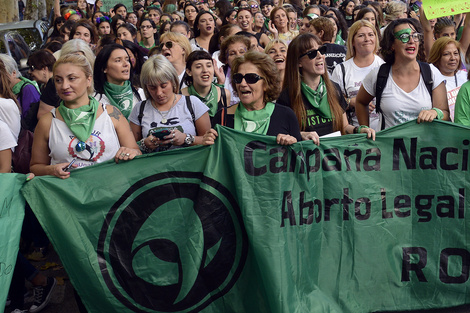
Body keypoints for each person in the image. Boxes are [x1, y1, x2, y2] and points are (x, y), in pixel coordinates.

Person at [31, 53, 141, 178]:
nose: (64, 86)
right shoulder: (47, 122)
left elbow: (136, 152)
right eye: (58, 80)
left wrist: (130, 152)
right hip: (68, 194)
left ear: (89, 80)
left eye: (72, 78)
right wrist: (52, 170)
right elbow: (36, 166)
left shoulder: (112, 114)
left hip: (112, 191)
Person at [277, 33, 375, 145]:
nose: (320, 56)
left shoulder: (334, 89)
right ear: (299, 62)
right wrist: (301, 135)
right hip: (307, 159)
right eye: (312, 53)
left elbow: (344, 127)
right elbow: (282, 135)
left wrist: (360, 130)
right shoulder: (287, 96)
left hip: (334, 158)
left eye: (322, 50)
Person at [356, 18, 449, 130]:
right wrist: (365, 128)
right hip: (388, 147)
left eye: (415, 36)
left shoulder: (431, 73)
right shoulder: (379, 75)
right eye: (404, 37)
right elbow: (360, 102)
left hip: (424, 146)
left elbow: (445, 113)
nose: (411, 41)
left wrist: (435, 112)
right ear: (392, 45)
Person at [202, 50, 301, 146]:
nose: (243, 84)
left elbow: (299, 156)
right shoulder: (222, 117)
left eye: (251, 78)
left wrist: (293, 143)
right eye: (238, 78)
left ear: (266, 84)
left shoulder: (285, 115)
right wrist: (207, 144)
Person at [129, 55, 211, 153]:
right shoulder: (139, 109)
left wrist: (185, 139)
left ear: (173, 82)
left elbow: (208, 140)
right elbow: (131, 147)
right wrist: (145, 144)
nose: (159, 93)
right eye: (152, 87)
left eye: (164, 86)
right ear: (146, 87)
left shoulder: (192, 103)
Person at [331, 20, 383, 131]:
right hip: (355, 135)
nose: (367, 39)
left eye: (371, 35)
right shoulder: (341, 70)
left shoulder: (384, 66)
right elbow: (332, 105)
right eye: (361, 35)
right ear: (352, 41)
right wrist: (351, 102)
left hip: (384, 133)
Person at [94, 44, 145, 120]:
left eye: (127, 60)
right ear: (104, 68)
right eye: (118, 60)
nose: (126, 64)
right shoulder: (95, 100)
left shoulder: (141, 94)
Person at [181, 51, 231, 124]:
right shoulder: (180, 96)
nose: (205, 70)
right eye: (198, 67)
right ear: (189, 72)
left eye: (209, 66)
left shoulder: (224, 94)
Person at [428, 37, 466, 121]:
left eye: (456, 53)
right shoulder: (429, 79)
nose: (453, 58)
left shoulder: (466, 77)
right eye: (446, 54)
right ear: (437, 57)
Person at [0, 54, 40, 124]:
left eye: (3, 75)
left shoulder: (28, 89)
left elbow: (31, 120)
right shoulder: (5, 90)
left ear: (14, 73)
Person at [218, 35, 252, 106]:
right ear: (226, 59)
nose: (238, 56)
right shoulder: (218, 76)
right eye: (232, 53)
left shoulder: (257, 73)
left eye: (242, 52)